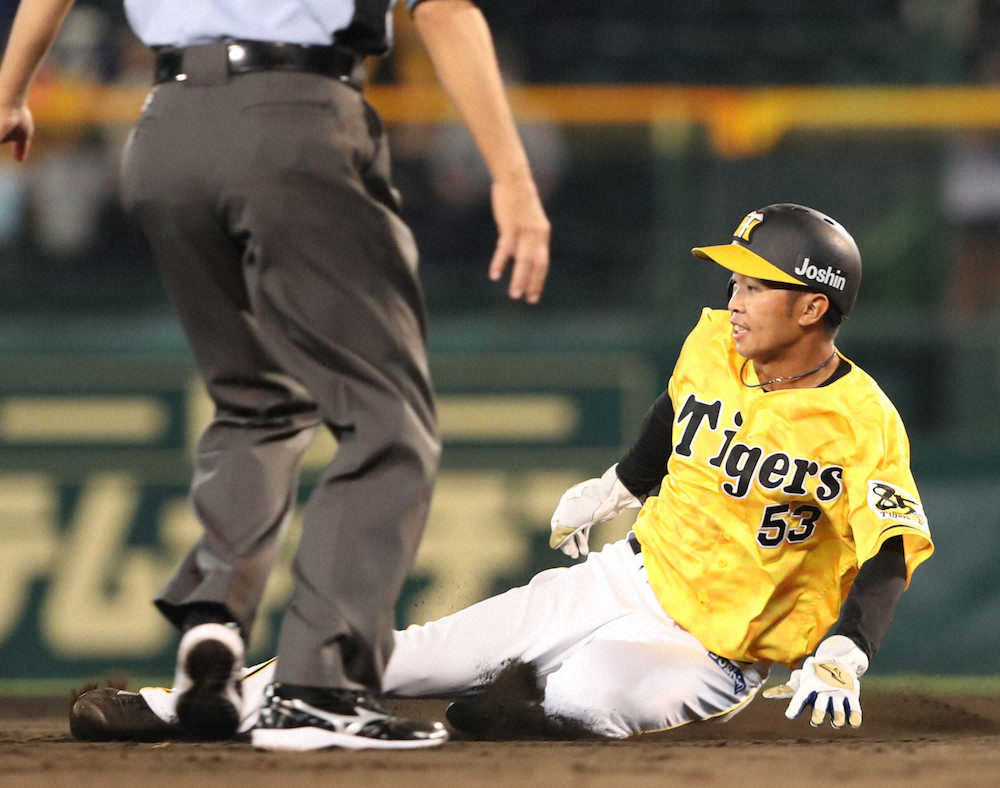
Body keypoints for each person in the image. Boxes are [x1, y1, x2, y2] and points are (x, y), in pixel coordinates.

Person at [70, 204, 933, 742]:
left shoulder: (863, 422)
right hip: (623, 580)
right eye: (735, 278)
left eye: (756, 282)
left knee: (589, 696)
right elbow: (677, 413)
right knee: (402, 656)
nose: (735, 296)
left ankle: (525, 710)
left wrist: (846, 647)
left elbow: (886, 550)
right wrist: (622, 486)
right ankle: (179, 705)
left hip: (715, 650)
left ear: (813, 306)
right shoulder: (714, 343)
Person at [0, 0, 551, 752]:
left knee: (255, 400)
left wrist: (9, 91)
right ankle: (321, 687)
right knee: (385, 416)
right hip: (296, 115)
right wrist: (513, 178)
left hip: (164, 129)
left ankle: (214, 626)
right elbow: (447, 11)